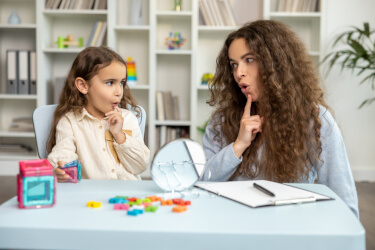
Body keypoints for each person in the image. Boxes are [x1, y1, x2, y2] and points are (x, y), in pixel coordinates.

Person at [202, 20, 359, 217]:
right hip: (233, 225)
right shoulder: (220, 122)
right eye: (233, 64)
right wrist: (238, 146)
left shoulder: (315, 119)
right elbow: (202, 182)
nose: (238, 73)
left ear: (275, 62)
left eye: (249, 60)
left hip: (290, 228)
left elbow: (344, 200)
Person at [47, 46, 150, 181]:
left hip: (128, 196)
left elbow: (140, 166)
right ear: (83, 86)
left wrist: (119, 135)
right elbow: (63, 155)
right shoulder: (70, 122)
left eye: (122, 83)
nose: (119, 91)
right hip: (91, 198)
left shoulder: (128, 119)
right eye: (110, 82)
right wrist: (61, 168)